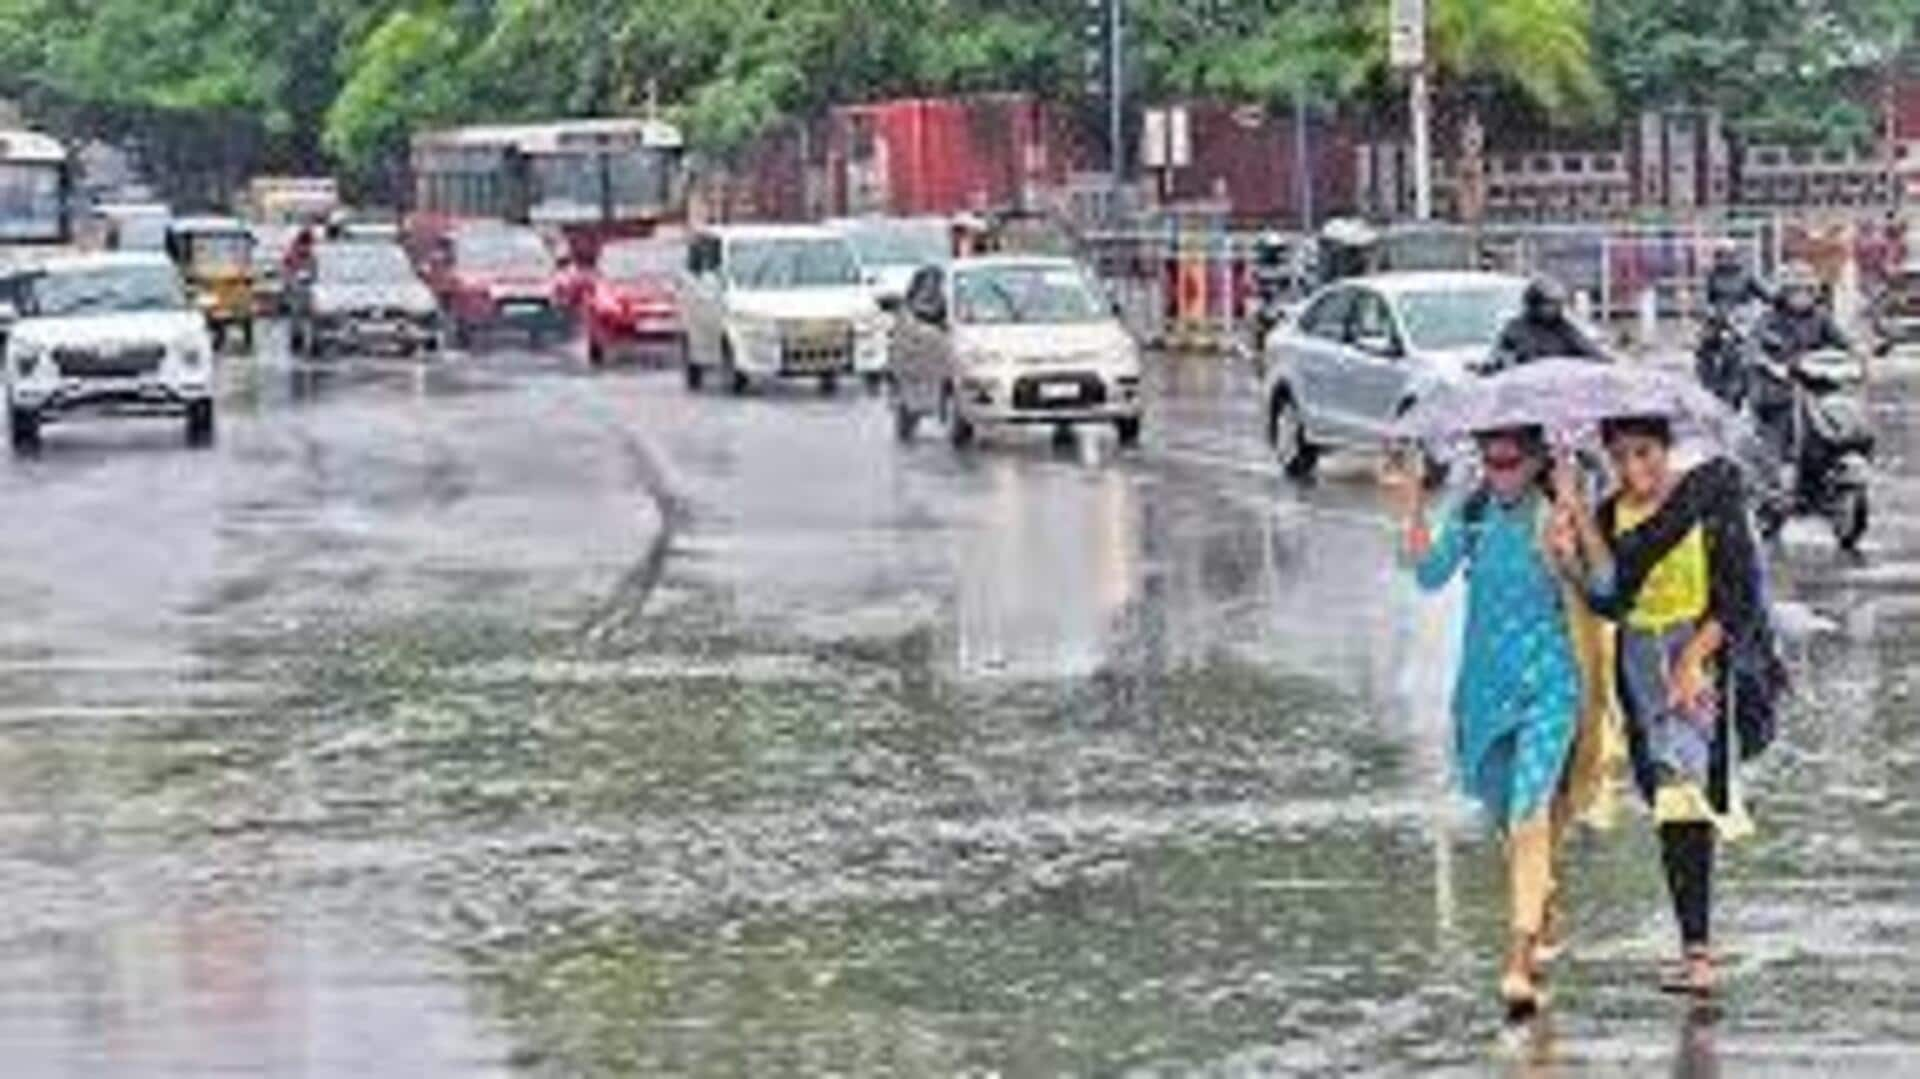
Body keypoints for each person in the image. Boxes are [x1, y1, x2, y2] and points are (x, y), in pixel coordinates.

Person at [1552, 417, 1785, 999]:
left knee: (1685, 800)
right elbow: (1609, 597)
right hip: (1638, 673)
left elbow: (1738, 596)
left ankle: (1700, 954)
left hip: (1701, 664)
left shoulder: (1709, 493)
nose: (1635, 471)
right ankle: (1693, 946)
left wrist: (1692, 661)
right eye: (1621, 458)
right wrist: (1574, 529)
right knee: (1668, 808)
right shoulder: (1608, 515)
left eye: (1646, 454)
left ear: (1667, 447)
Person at [1383, 426, 1587, 1017]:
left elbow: (1595, 589)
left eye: (1511, 456)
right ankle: (1542, 904)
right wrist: (1415, 506)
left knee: (1528, 818)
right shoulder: (1472, 515)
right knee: (1506, 819)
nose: (1499, 466)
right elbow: (1427, 575)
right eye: (1489, 455)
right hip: (1483, 694)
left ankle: (1518, 962)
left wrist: (1569, 545)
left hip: (1548, 688)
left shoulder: (1553, 514)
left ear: (1536, 460)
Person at [1754, 261, 1849, 467]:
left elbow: (1842, 342)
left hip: (1817, 382)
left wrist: (1857, 351)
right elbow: (1756, 346)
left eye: (1807, 291)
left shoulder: (1821, 317)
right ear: (1784, 293)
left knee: (1839, 413)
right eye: (1795, 291)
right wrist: (1770, 363)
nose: (1801, 297)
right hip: (1781, 386)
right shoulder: (1770, 319)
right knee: (1779, 423)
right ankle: (1777, 465)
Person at [1489, 277, 1608, 371]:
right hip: (1526, 393)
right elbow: (1499, 357)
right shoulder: (1515, 330)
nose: (1553, 309)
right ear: (1534, 303)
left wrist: (1607, 364)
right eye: (1547, 304)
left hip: (1559, 393)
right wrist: (1494, 365)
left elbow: (1589, 350)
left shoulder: (1565, 330)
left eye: (1557, 304)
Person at [1703, 239, 1769, 315]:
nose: (1722, 259)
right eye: (1718, 255)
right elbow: (1705, 300)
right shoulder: (1712, 276)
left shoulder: (1747, 274)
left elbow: (1765, 293)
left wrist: (1778, 300)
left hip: (1743, 319)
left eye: (1728, 255)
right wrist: (1711, 312)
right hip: (1720, 319)